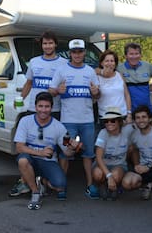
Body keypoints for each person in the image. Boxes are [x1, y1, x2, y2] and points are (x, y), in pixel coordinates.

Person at [9, 30, 68, 197]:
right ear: (41, 45)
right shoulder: (34, 62)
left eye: (50, 43)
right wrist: (21, 98)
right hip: (34, 109)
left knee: (55, 147)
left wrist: (57, 92)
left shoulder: (63, 63)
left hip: (54, 110)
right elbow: (29, 83)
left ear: (55, 44)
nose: (47, 46)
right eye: (44, 43)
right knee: (29, 145)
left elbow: (64, 87)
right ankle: (25, 181)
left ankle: (52, 179)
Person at [49, 38, 100, 199]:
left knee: (88, 154)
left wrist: (95, 92)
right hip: (68, 121)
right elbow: (51, 90)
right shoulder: (62, 70)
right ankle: (61, 185)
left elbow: (97, 94)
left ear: (84, 53)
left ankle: (90, 185)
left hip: (87, 121)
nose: (77, 55)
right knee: (66, 154)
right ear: (70, 53)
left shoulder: (90, 71)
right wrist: (58, 90)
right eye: (74, 52)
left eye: (80, 52)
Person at [14, 92, 77, 210]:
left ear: (51, 108)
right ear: (35, 106)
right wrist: (40, 153)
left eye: (47, 107)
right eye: (40, 106)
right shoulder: (25, 121)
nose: (43, 110)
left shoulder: (58, 126)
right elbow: (19, 147)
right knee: (22, 160)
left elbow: (67, 153)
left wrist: (72, 148)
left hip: (48, 162)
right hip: (31, 159)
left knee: (60, 186)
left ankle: (42, 181)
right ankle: (35, 192)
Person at [92, 107, 133, 201]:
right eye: (106, 121)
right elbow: (98, 157)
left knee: (116, 174)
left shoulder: (127, 131)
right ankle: (102, 185)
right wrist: (109, 176)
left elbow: (143, 123)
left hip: (119, 164)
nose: (109, 123)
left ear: (119, 122)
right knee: (98, 173)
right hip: (103, 164)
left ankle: (114, 187)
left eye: (113, 121)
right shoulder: (103, 133)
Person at [96, 50, 132, 129]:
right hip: (106, 117)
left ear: (115, 64)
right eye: (107, 61)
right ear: (102, 63)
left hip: (122, 115)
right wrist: (101, 72)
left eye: (112, 61)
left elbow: (127, 95)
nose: (109, 63)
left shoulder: (119, 75)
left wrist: (129, 114)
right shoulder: (96, 77)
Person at [116, 42, 152, 113]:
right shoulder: (119, 68)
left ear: (140, 55)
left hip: (146, 109)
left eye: (136, 53)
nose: (134, 56)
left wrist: (147, 89)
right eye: (131, 54)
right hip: (127, 110)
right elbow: (100, 70)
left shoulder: (148, 66)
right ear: (126, 55)